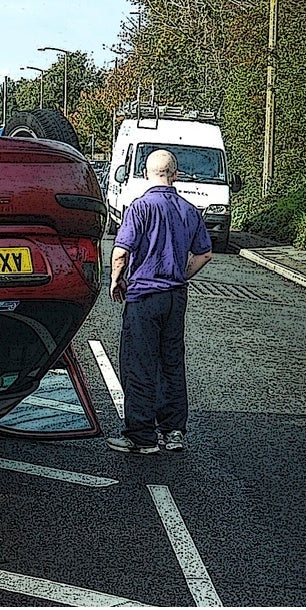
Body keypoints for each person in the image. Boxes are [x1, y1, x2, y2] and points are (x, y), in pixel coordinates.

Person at [107, 149, 213, 455]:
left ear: (145, 174)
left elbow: (121, 251)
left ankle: (141, 437)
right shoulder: (190, 210)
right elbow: (205, 253)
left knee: (139, 364)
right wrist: (180, 273)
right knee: (171, 363)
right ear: (175, 175)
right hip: (175, 297)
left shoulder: (139, 208)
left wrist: (116, 280)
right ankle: (173, 431)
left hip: (144, 297)